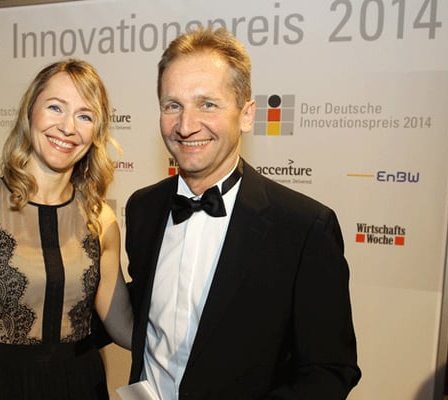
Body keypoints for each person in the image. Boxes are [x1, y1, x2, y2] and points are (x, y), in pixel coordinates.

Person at [125, 26, 361, 399]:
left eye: (207, 104)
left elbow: (330, 370)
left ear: (247, 115)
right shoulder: (143, 208)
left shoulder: (304, 229)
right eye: (173, 105)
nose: (186, 126)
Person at [0, 59, 133, 400]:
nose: (67, 127)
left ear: (97, 131)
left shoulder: (100, 219)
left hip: (81, 387)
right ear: (30, 111)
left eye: (85, 115)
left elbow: (122, 324)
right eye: (55, 107)